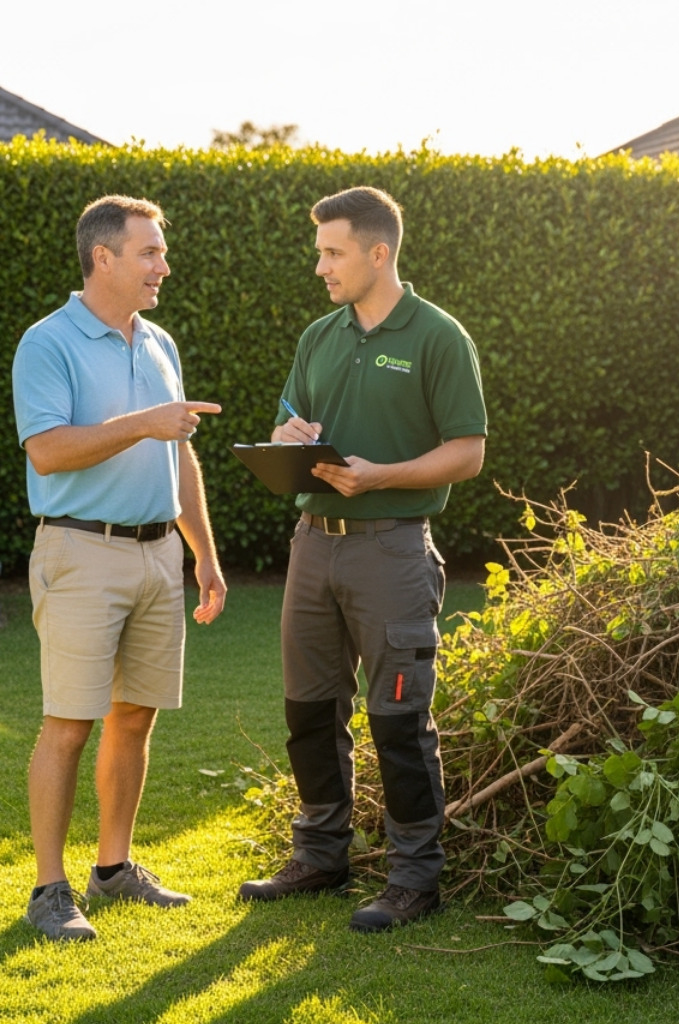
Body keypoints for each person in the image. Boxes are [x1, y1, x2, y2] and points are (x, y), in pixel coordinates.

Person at [239, 186, 488, 932]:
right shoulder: (319, 335)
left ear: (379, 253)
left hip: (392, 550)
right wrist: (287, 437)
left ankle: (415, 877)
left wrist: (380, 475)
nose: (321, 266)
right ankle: (320, 854)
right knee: (309, 710)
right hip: (314, 545)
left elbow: (468, 453)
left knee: (400, 718)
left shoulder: (439, 336)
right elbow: (290, 417)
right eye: (321, 252)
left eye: (333, 251)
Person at [11, 194, 226, 942]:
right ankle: (48, 889)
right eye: (150, 253)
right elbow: (48, 450)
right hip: (80, 550)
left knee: (134, 718)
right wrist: (144, 422)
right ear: (103, 257)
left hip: (157, 555)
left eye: (160, 253)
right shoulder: (48, 342)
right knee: (69, 725)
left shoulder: (158, 341)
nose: (163, 266)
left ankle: (113, 868)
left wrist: (203, 554)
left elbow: (180, 452)